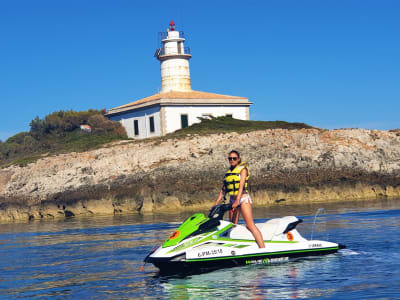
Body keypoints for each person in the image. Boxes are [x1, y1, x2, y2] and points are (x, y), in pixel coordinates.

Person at [214, 150, 265, 248]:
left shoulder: (243, 170)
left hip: (243, 199)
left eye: (234, 158)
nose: (232, 160)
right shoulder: (228, 172)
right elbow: (224, 189)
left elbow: (241, 186)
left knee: (250, 225)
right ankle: (233, 247)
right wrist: (216, 202)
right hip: (233, 200)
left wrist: (238, 201)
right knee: (232, 226)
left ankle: (263, 248)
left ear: (238, 159)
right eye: (230, 158)